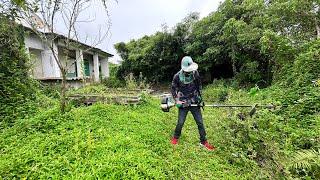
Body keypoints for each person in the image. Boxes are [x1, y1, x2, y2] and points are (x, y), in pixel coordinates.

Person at [170, 56, 215, 151]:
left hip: (195, 101)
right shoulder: (177, 76)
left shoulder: (195, 73)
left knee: (200, 122)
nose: (189, 71)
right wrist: (176, 100)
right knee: (180, 122)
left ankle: (204, 141)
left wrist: (200, 98)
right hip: (183, 102)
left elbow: (199, 85)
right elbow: (173, 89)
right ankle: (175, 138)